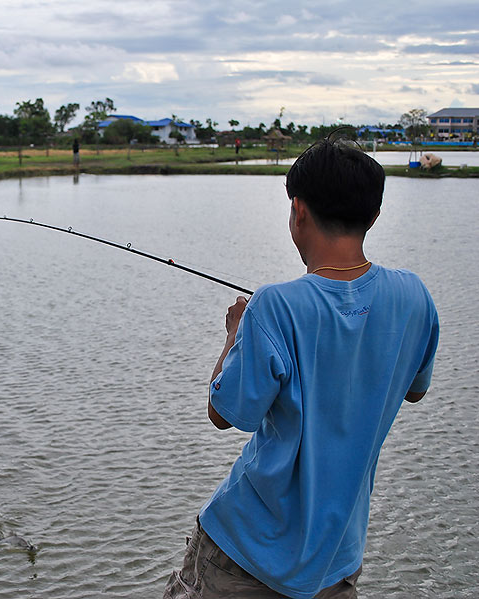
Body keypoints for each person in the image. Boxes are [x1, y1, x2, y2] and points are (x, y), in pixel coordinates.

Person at [163, 137, 439, 599]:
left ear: (298, 211)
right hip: (336, 556)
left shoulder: (274, 305)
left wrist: (235, 334)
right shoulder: (414, 297)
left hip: (245, 548)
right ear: (373, 215)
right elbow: (414, 390)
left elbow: (224, 413)